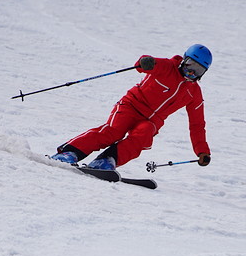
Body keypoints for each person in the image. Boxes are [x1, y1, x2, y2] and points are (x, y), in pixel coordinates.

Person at [51, 44, 213, 171]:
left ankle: (106, 160)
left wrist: (202, 151)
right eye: (190, 65)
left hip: (151, 121)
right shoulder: (167, 67)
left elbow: (197, 125)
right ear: (184, 60)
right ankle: (69, 152)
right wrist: (145, 63)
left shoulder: (194, 93)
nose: (191, 72)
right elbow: (144, 63)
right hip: (131, 106)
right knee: (113, 131)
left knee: (144, 134)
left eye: (198, 70)